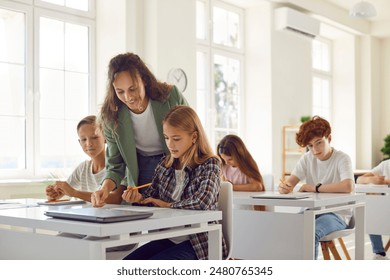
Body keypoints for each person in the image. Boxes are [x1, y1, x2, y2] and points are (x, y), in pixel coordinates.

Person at [121, 105, 227, 260]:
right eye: (166, 138)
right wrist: (138, 199)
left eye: (176, 139)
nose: (170, 144)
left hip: (198, 243)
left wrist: (167, 205)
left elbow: (203, 202)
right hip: (168, 237)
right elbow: (151, 200)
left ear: (194, 137)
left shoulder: (209, 163)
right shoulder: (165, 165)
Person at [92, 52, 188, 207]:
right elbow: (115, 165)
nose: (128, 97)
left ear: (144, 80)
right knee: (144, 214)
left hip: (175, 161)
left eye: (132, 89)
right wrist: (105, 188)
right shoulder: (110, 117)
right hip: (140, 166)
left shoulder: (170, 97)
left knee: (173, 214)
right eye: (120, 91)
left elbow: (191, 132)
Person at [278, 116, 354, 260]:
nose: (315, 150)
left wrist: (315, 188)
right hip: (312, 211)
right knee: (286, 228)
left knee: (310, 233)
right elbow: (291, 182)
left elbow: (348, 185)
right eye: (310, 146)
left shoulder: (342, 158)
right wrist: (285, 187)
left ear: (329, 138)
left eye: (319, 143)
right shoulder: (307, 158)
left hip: (337, 215)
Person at [46, 115, 108, 202]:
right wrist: (54, 194)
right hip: (89, 215)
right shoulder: (83, 168)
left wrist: (75, 193)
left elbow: (116, 198)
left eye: (94, 137)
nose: (89, 143)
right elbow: (64, 193)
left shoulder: (116, 167)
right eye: (83, 139)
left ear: (106, 137)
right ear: (79, 142)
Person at [356, 159, 390, 260]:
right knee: (371, 204)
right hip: (385, 212)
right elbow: (359, 180)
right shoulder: (386, 164)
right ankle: (379, 252)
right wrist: (370, 180)